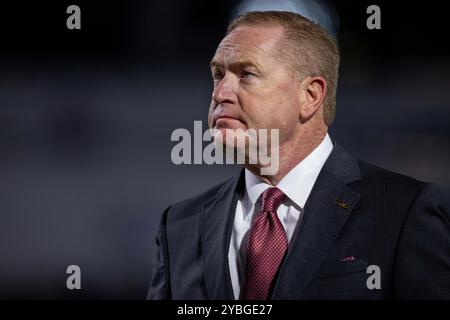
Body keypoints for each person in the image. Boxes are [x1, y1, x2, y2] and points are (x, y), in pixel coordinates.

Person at [147, 11, 450, 300]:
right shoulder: (179, 225)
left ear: (310, 96)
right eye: (218, 74)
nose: (220, 92)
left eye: (247, 74)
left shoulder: (403, 212)